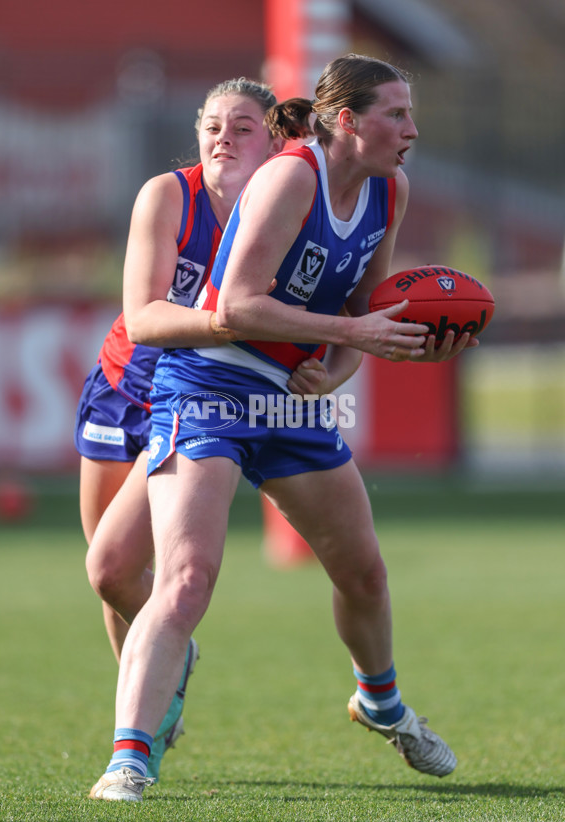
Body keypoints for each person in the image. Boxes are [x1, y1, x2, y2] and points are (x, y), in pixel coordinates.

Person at [90, 54, 475, 802]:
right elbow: (234, 307)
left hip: (289, 403)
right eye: (396, 114)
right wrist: (353, 334)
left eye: (410, 112)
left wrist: (335, 370)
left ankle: (380, 702)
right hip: (209, 386)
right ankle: (129, 759)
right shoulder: (291, 176)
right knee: (186, 576)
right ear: (347, 122)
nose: (412, 129)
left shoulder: (389, 188)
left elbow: (367, 307)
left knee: (363, 573)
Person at [76, 77, 362, 784]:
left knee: (125, 565)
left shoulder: (293, 196)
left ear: (275, 138)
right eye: (211, 125)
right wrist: (234, 319)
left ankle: (140, 728)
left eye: (241, 127)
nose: (222, 138)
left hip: (208, 399)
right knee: (113, 576)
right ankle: (167, 673)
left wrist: (332, 368)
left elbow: (344, 300)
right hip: (126, 386)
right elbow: (145, 320)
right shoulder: (168, 194)